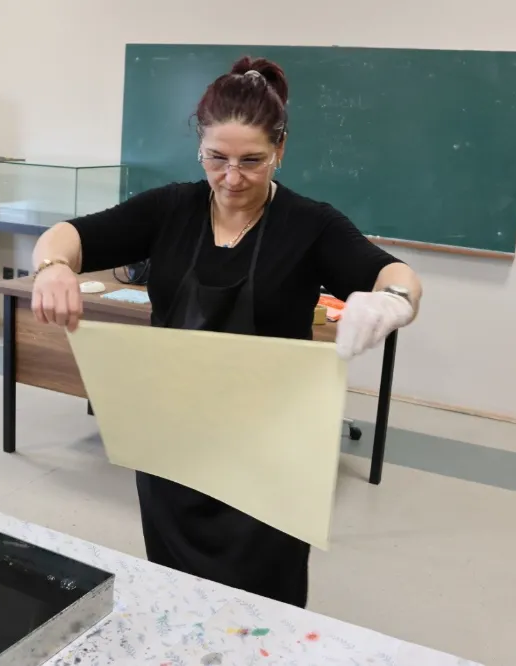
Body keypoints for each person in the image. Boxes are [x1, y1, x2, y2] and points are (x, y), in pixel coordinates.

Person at [29, 56, 423, 608]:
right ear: (200, 147)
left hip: (270, 452)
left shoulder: (311, 226)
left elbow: (395, 275)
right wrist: (53, 268)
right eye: (216, 158)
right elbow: (67, 236)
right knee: (176, 593)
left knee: (263, 602)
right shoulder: (171, 208)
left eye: (252, 161)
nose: (232, 178)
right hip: (174, 441)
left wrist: (392, 300)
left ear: (281, 150)